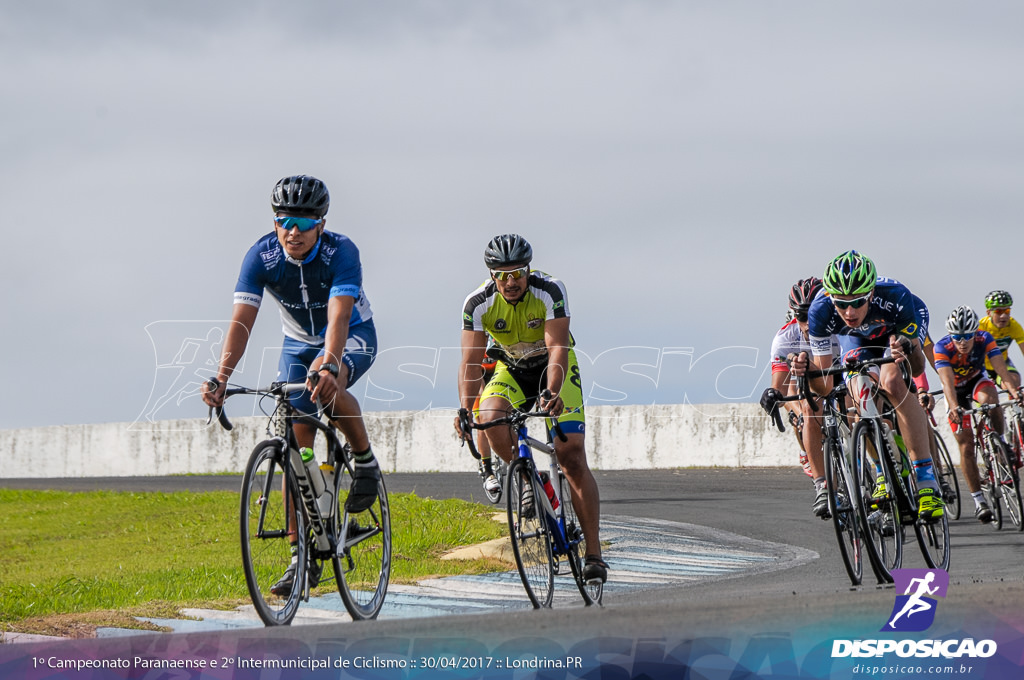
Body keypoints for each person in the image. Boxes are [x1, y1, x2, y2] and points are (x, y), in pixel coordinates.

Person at [201, 174, 380, 596]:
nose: (292, 232)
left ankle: (364, 459)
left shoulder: (342, 252)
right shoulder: (260, 257)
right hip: (296, 344)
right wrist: (222, 377)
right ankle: (302, 555)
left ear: (321, 223)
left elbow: (338, 319)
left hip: (352, 334)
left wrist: (330, 365)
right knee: (294, 445)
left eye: (303, 222)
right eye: (284, 221)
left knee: (328, 387)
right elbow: (241, 322)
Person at [455, 234, 607, 583]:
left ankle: (594, 554)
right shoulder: (477, 303)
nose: (511, 282)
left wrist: (552, 392)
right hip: (511, 368)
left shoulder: (550, 290)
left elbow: (557, 349)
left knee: (570, 455)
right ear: (491, 275)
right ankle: (527, 475)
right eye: (502, 275)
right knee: (489, 418)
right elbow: (470, 362)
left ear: (528, 269)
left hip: (553, 368)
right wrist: (465, 409)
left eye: (518, 273)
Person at [791, 250, 944, 521]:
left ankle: (926, 479)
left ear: (870, 294)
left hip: (896, 328)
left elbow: (918, 368)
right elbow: (825, 385)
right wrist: (809, 371)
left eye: (858, 302)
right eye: (841, 304)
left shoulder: (895, 296)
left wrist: (908, 351)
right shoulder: (820, 310)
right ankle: (882, 469)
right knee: (856, 388)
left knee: (893, 381)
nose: (849, 312)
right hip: (858, 340)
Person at [934, 305, 1021, 523]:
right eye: (957, 337)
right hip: (955, 390)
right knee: (966, 445)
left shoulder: (984, 338)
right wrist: (954, 407)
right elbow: (946, 382)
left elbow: (1000, 368)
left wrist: (1013, 391)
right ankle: (978, 500)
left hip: (976, 381)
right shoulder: (942, 347)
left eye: (967, 336)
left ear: (975, 332)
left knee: (991, 400)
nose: (962, 342)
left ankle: (999, 442)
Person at [760, 277, 836, 518]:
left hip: (840, 372)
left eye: (813, 314)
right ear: (793, 315)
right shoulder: (785, 337)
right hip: (812, 382)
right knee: (806, 409)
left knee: (856, 406)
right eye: (802, 316)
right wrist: (773, 395)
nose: (808, 323)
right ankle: (822, 484)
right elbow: (782, 386)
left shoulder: (840, 324)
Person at [979, 290, 1024, 392]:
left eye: (1007, 311)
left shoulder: (1014, 326)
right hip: (982, 366)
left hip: (1002, 363)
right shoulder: (980, 327)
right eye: (999, 312)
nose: (1003, 316)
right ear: (989, 313)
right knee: (986, 394)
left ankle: (1015, 404)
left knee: (1014, 380)